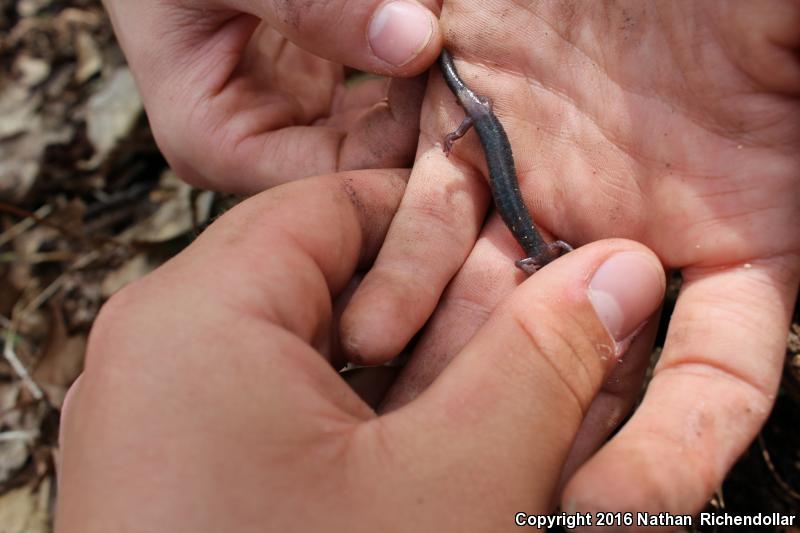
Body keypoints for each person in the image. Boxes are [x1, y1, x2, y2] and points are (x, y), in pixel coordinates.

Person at [59, 0, 800, 528]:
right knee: (473, 121)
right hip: (482, 121)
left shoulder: (534, 247)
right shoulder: (534, 242)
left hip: (485, 123)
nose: (538, 263)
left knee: (478, 129)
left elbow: (527, 243)